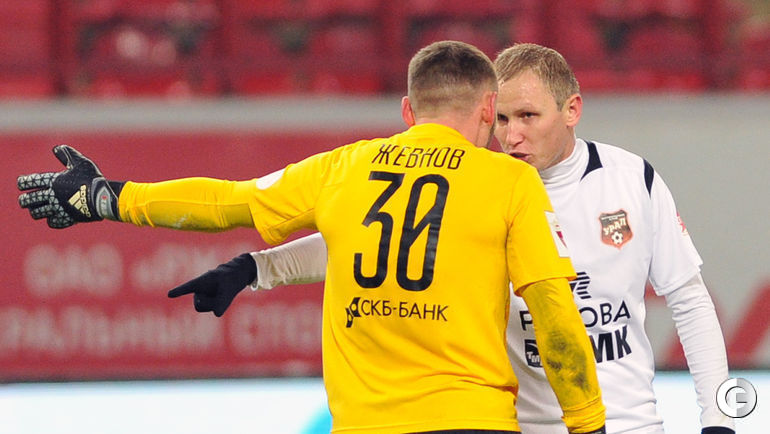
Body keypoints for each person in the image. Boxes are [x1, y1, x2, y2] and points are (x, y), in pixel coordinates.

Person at [17, 41, 606, 434]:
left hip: (364, 425)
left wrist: (108, 197)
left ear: (407, 110)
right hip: (470, 419)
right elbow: (554, 313)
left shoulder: (342, 168)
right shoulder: (508, 181)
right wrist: (588, 422)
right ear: (488, 107)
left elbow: (226, 201)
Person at [179, 43, 735, 433]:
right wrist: (258, 268)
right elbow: (373, 240)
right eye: (502, 119)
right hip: (518, 426)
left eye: (529, 116)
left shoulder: (633, 180)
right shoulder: (480, 183)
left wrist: (719, 417)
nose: (511, 136)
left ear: (572, 110)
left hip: (628, 424)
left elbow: (689, 301)